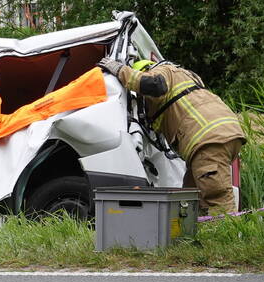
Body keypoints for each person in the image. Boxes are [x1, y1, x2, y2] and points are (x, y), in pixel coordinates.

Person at [98, 57, 246, 215]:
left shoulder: (164, 71)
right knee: (190, 197)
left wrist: (120, 70)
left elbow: (154, 84)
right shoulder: (184, 77)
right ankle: (195, 228)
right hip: (221, 133)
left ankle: (227, 230)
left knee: (216, 197)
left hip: (208, 139)